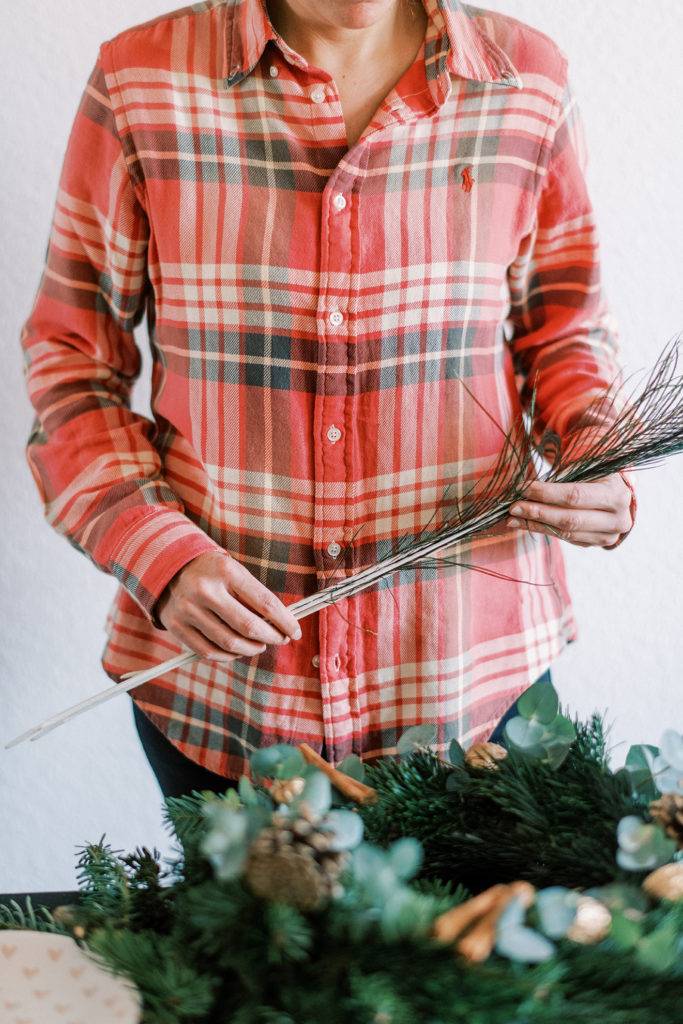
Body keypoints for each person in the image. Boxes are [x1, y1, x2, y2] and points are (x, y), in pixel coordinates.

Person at [19, 0, 636, 799]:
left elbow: (564, 332)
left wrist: (600, 456)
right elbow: (72, 361)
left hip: (474, 681)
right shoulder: (140, 81)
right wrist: (157, 555)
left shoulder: (528, 81)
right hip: (227, 699)